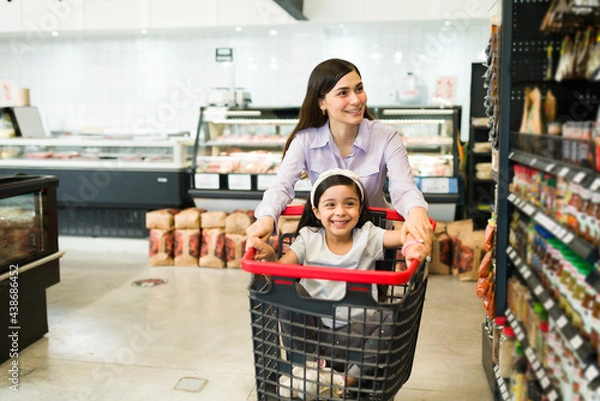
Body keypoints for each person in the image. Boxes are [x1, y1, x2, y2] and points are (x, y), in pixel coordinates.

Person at [247, 169, 429, 395]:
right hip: (313, 334)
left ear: (360, 208)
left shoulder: (368, 236)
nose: (340, 212)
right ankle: (308, 371)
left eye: (349, 204)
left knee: (390, 316)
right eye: (330, 205)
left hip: (358, 335)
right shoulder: (308, 238)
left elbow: (403, 237)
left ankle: (345, 381)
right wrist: (269, 257)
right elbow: (279, 275)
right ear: (316, 211)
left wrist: (411, 246)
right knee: (292, 293)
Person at [246, 58, 433, 252]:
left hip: (376, 241)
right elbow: (281, 187)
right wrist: (266, 217)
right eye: (343, 92)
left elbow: (404, 189)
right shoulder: (305, 141)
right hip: (328, 242)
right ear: (321, 102)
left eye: (359, 89)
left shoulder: (386, 136)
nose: (356, 100)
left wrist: (416, 211)